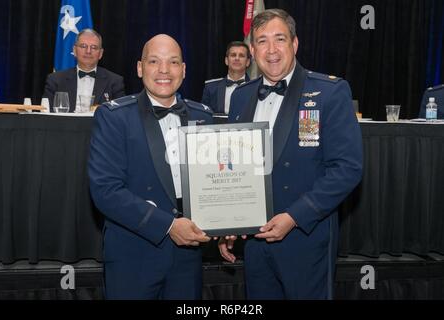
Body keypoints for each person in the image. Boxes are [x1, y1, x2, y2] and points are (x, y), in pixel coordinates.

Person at [220, 9, 363, 299]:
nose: (271, 50)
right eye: (262, 41)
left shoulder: (329, 92)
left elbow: (347, 168)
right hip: (255, 242)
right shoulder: (241, 96)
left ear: (294, 44)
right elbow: (235, 167)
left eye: (280, 39)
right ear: (252, 50)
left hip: (306, 237)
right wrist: (228, 224)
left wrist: (295, 217)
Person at [88, 34, 212, 299]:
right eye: (154, 61)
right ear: (140, 68)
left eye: (173, 62)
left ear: (184, 69)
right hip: (134, 254)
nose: (164, 70)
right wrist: (168, 225)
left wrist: (227, 224)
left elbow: (215, 182)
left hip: (188, 258)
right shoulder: (114, 117)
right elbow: (105, 191)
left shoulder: (204, 116)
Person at [43, 29, 125, 112]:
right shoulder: (55, 80)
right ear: (74, 50)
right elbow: (46, 113)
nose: (88, 51)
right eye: (83, 46)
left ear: (100, 53)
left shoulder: (115, 82)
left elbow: (120, 115)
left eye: (94, 47)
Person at [201, 41, 251, 114]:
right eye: (233, 55)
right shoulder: (211, 88)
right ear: (226, 60)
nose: (237, 58)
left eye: (241, 55)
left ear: (248, 62)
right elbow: (203, 117)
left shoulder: (257, 88)